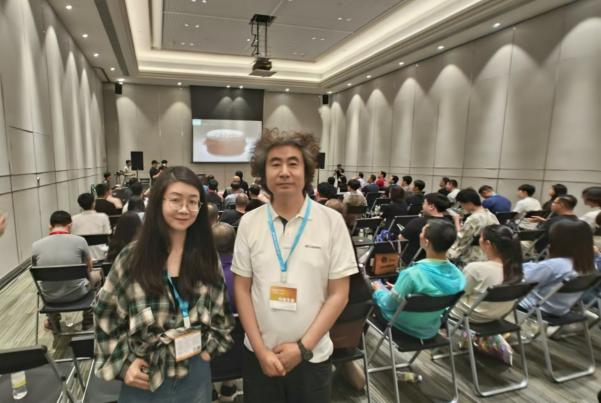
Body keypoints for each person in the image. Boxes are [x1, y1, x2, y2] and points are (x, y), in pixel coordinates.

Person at [232, 129, 357, 403]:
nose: (284, 172)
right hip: (259, 355)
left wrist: (302, 348)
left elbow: (339, 294)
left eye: (293, 163)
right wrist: (260, 350)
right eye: (275, 164)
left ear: (306, 171)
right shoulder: (249, 222)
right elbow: (241, 289)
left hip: (312, 357)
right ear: (263, 173)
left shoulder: (332, 222)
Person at [94, 166, 234, 402]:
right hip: (146, 374)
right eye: (176, 200)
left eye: (193, 202)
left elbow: (221, 314)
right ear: (159, 202)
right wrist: (124, 365)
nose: (184, 209)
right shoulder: (132, 258)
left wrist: (207, 352)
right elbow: (105, 315)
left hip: (195, 372)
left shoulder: (206, 257)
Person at [372, 220, 465, 339]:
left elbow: (389, 304)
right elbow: (431, 294)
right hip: (430, 330)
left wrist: (378, 290)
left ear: (426, 242)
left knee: (371, 289)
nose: (420, 235)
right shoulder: (459, 276)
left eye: (422, 232)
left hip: (399, 327)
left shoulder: (412, 274)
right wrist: (399, 289)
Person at [32, 211, 96, 331]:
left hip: (49, 298)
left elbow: (37, 272)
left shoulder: (36, 245)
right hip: (78, 295)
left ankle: (52, 321)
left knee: (47, 284)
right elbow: (90, 268)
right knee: (97, 277)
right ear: (70, 225)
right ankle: (88, 319)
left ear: (50, 226)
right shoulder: (80, 241)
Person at [519, 220, 595, 316]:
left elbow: (520, 278)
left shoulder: (554, 265)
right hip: (559, 310)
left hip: (532, 307)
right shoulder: (589, 265)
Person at [450, 225, 523, 322]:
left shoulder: (476, 268)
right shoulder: (517, 271)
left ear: (487, 243)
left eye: (480, 237)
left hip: (467, 315)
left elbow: (455, 295)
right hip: (495, 317)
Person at [211, 222, 243, 402]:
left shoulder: (198, 276)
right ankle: (228, 387)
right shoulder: (246, 276)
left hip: (209, 355)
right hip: (240, 356)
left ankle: (211, 391)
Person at [448, 188, 499, 266]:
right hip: (490, 254)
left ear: (469, 203)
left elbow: (462, 239)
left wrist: (456, 221)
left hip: (475, 257)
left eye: (462, 204)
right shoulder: (490, 214)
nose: (462, 207)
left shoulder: (474, 219)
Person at [399, 193, 450, 265]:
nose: (422, 206)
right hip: (437, 262)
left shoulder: (418, 222)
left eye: (424, 203)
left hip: (414, 261)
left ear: (431, 207)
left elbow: (401, 239)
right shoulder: (449, 223)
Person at [71, 193, 111, 261]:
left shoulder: (73, 219)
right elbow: (108, 234)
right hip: (100, 254)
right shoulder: (103, 217)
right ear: (93, 203)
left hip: (81, 256)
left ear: (80, 205)